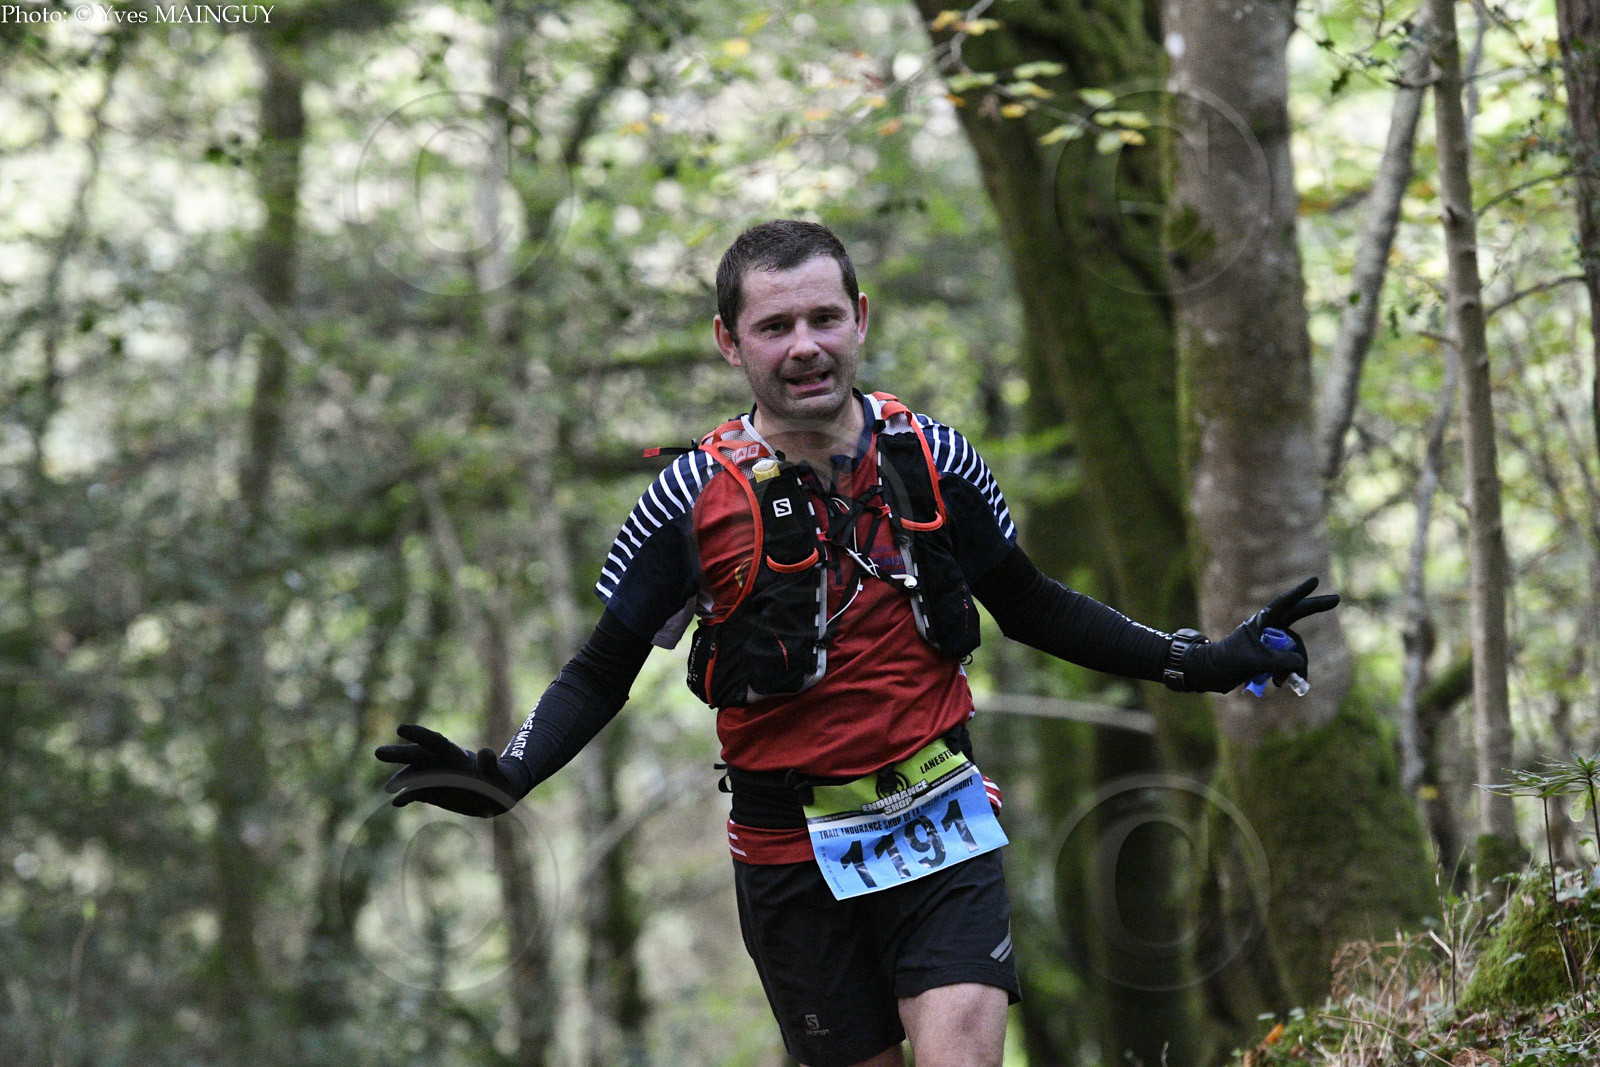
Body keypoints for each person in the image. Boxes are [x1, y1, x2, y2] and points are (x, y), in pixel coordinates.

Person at [376, 219, 1340, 1067]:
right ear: (729, 341)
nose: (805, 346)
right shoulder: (687, 500)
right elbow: (601, 671)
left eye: (824, 318)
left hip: (938, 815)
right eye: (775, 326)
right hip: (784, 847)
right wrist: (508, 774)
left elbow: (1033, 605)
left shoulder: (936, 458)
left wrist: (1203, 660)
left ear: (861, 319)